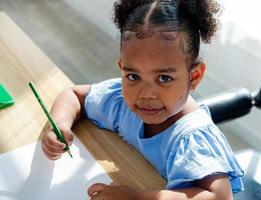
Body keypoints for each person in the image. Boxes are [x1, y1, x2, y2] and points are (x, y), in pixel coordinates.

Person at [41, 0, 244, 199]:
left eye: (164, 78)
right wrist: (59, 125)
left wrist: (137, 197)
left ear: (194, 77)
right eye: (133, 76)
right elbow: (74, 95)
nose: (145, 93)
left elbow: (219, 197)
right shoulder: (121, 102)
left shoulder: (192, 139)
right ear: (122, 68)